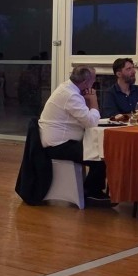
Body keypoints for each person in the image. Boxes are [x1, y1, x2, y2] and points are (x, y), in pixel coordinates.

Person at [38, 65, 108, 202]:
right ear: (86, 82)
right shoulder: (71, 96)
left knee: (98, 151)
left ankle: (90, 189)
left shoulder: (67, 88)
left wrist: (88, 103)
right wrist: (93, 101)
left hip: (61, 141)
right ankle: (92, 192)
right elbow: (91, 122)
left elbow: (84, 118)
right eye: (93, 80)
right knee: (101, 155)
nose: (94, 83)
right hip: (58, 146)